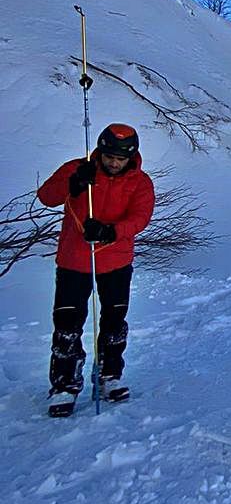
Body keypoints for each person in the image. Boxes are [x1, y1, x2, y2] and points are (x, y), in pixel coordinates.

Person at [37, 124, 155, 417]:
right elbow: (46, 197)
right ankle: (64, 385)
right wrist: (73, 184)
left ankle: (108, 375)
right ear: (100, 151)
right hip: (74, 261)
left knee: (114, 320)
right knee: (67, 323)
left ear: (131, 157)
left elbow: (140, 219)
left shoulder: (140, 183)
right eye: (109, 156)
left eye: (121, 159)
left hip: (115, 260)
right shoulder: (78, 169)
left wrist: (110, 231)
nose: (114, 163)